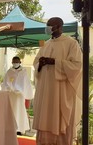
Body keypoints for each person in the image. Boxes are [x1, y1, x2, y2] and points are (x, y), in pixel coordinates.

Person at [32, 17, 82, 145]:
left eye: (51, 26)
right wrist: (41, 64)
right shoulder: (47, 44)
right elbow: (35, 63)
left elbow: (77, 65)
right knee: (46, 116)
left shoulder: (71, 43)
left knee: (59, 118)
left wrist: (55, 62)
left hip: (61, 90)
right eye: (47, 25)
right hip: (46, 89)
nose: (48, 28)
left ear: (60, 27)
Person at [1, 56, 33, 134]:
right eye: (14, 62)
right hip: (11, 95)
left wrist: (25, 93)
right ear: (12, 62)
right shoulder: (9, 72)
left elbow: (27, 84)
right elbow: (5, 83)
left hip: (19, 96)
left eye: (17, 62)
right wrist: (8, 89)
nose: (15, 63)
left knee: (19, 111)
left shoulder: (23, 72)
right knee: (12, 111)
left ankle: (19, 128)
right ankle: (10, 127)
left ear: (20, 62)